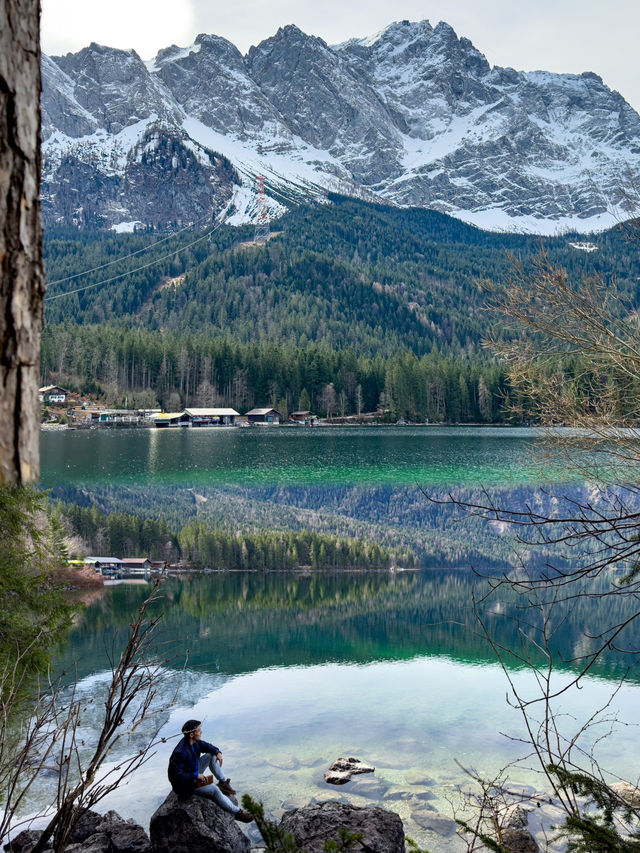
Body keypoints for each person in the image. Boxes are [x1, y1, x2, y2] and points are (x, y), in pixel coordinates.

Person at [168, 719, 253, 822]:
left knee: (211, 755)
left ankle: (223, 783)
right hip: (186, 785)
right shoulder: (180, 752)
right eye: (199, 730)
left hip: (193, 772)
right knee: (214, 790)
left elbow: (208, 746)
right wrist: (195, 776)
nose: (201, 732)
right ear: (191, 734)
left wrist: (218, 752)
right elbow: (175, 776)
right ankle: (238, 813)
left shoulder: (195, 742)